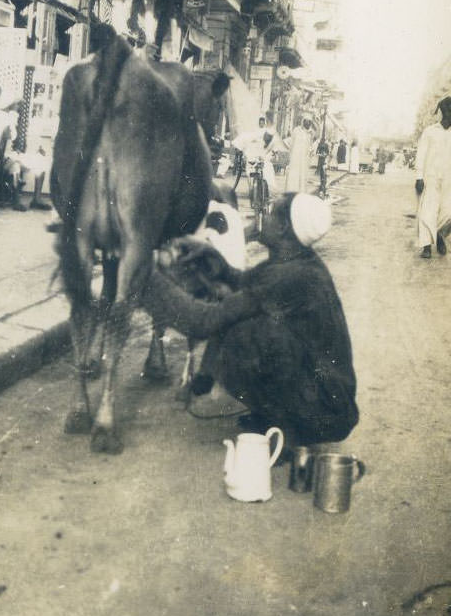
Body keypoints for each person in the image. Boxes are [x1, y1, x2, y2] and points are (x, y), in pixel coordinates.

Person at [143, 192, 359, 447]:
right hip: (329, 400)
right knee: (250, 321)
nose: (262, 216)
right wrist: (212, 255)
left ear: (284, 228)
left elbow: (203, 321)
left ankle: (287, 431)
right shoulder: (298, 262)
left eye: (270, 212)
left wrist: (148, 277)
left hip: (325, 412)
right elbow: (245, 282)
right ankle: (277, 416)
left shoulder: (290, 275)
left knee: (242, 333)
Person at [0, 83, 51, 212]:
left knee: (14, 160)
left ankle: (20, 198)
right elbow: (11, 136)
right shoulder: (4, 117)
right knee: (32, 161)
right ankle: (31, 199)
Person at [415, 95, 451, 259]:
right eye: (448, 110)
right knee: (427, 211)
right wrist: (419, 176)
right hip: (431, 178)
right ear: (443, 112)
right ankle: (426, 246)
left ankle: (440, 236)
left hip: (449, 180)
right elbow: (421, 154)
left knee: (447, 212)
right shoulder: (430, 132)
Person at [285, 117, 312, 192]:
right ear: (303, 122)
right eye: (306, 122)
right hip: (295, 156)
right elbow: (291, 143)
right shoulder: (296, 130)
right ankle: (291, 190)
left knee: (302, 174)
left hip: (303, 158)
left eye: (309, 122)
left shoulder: (309, 134)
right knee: (294, 173)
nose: (308, 124)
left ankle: (300, 191)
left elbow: (308, 146)